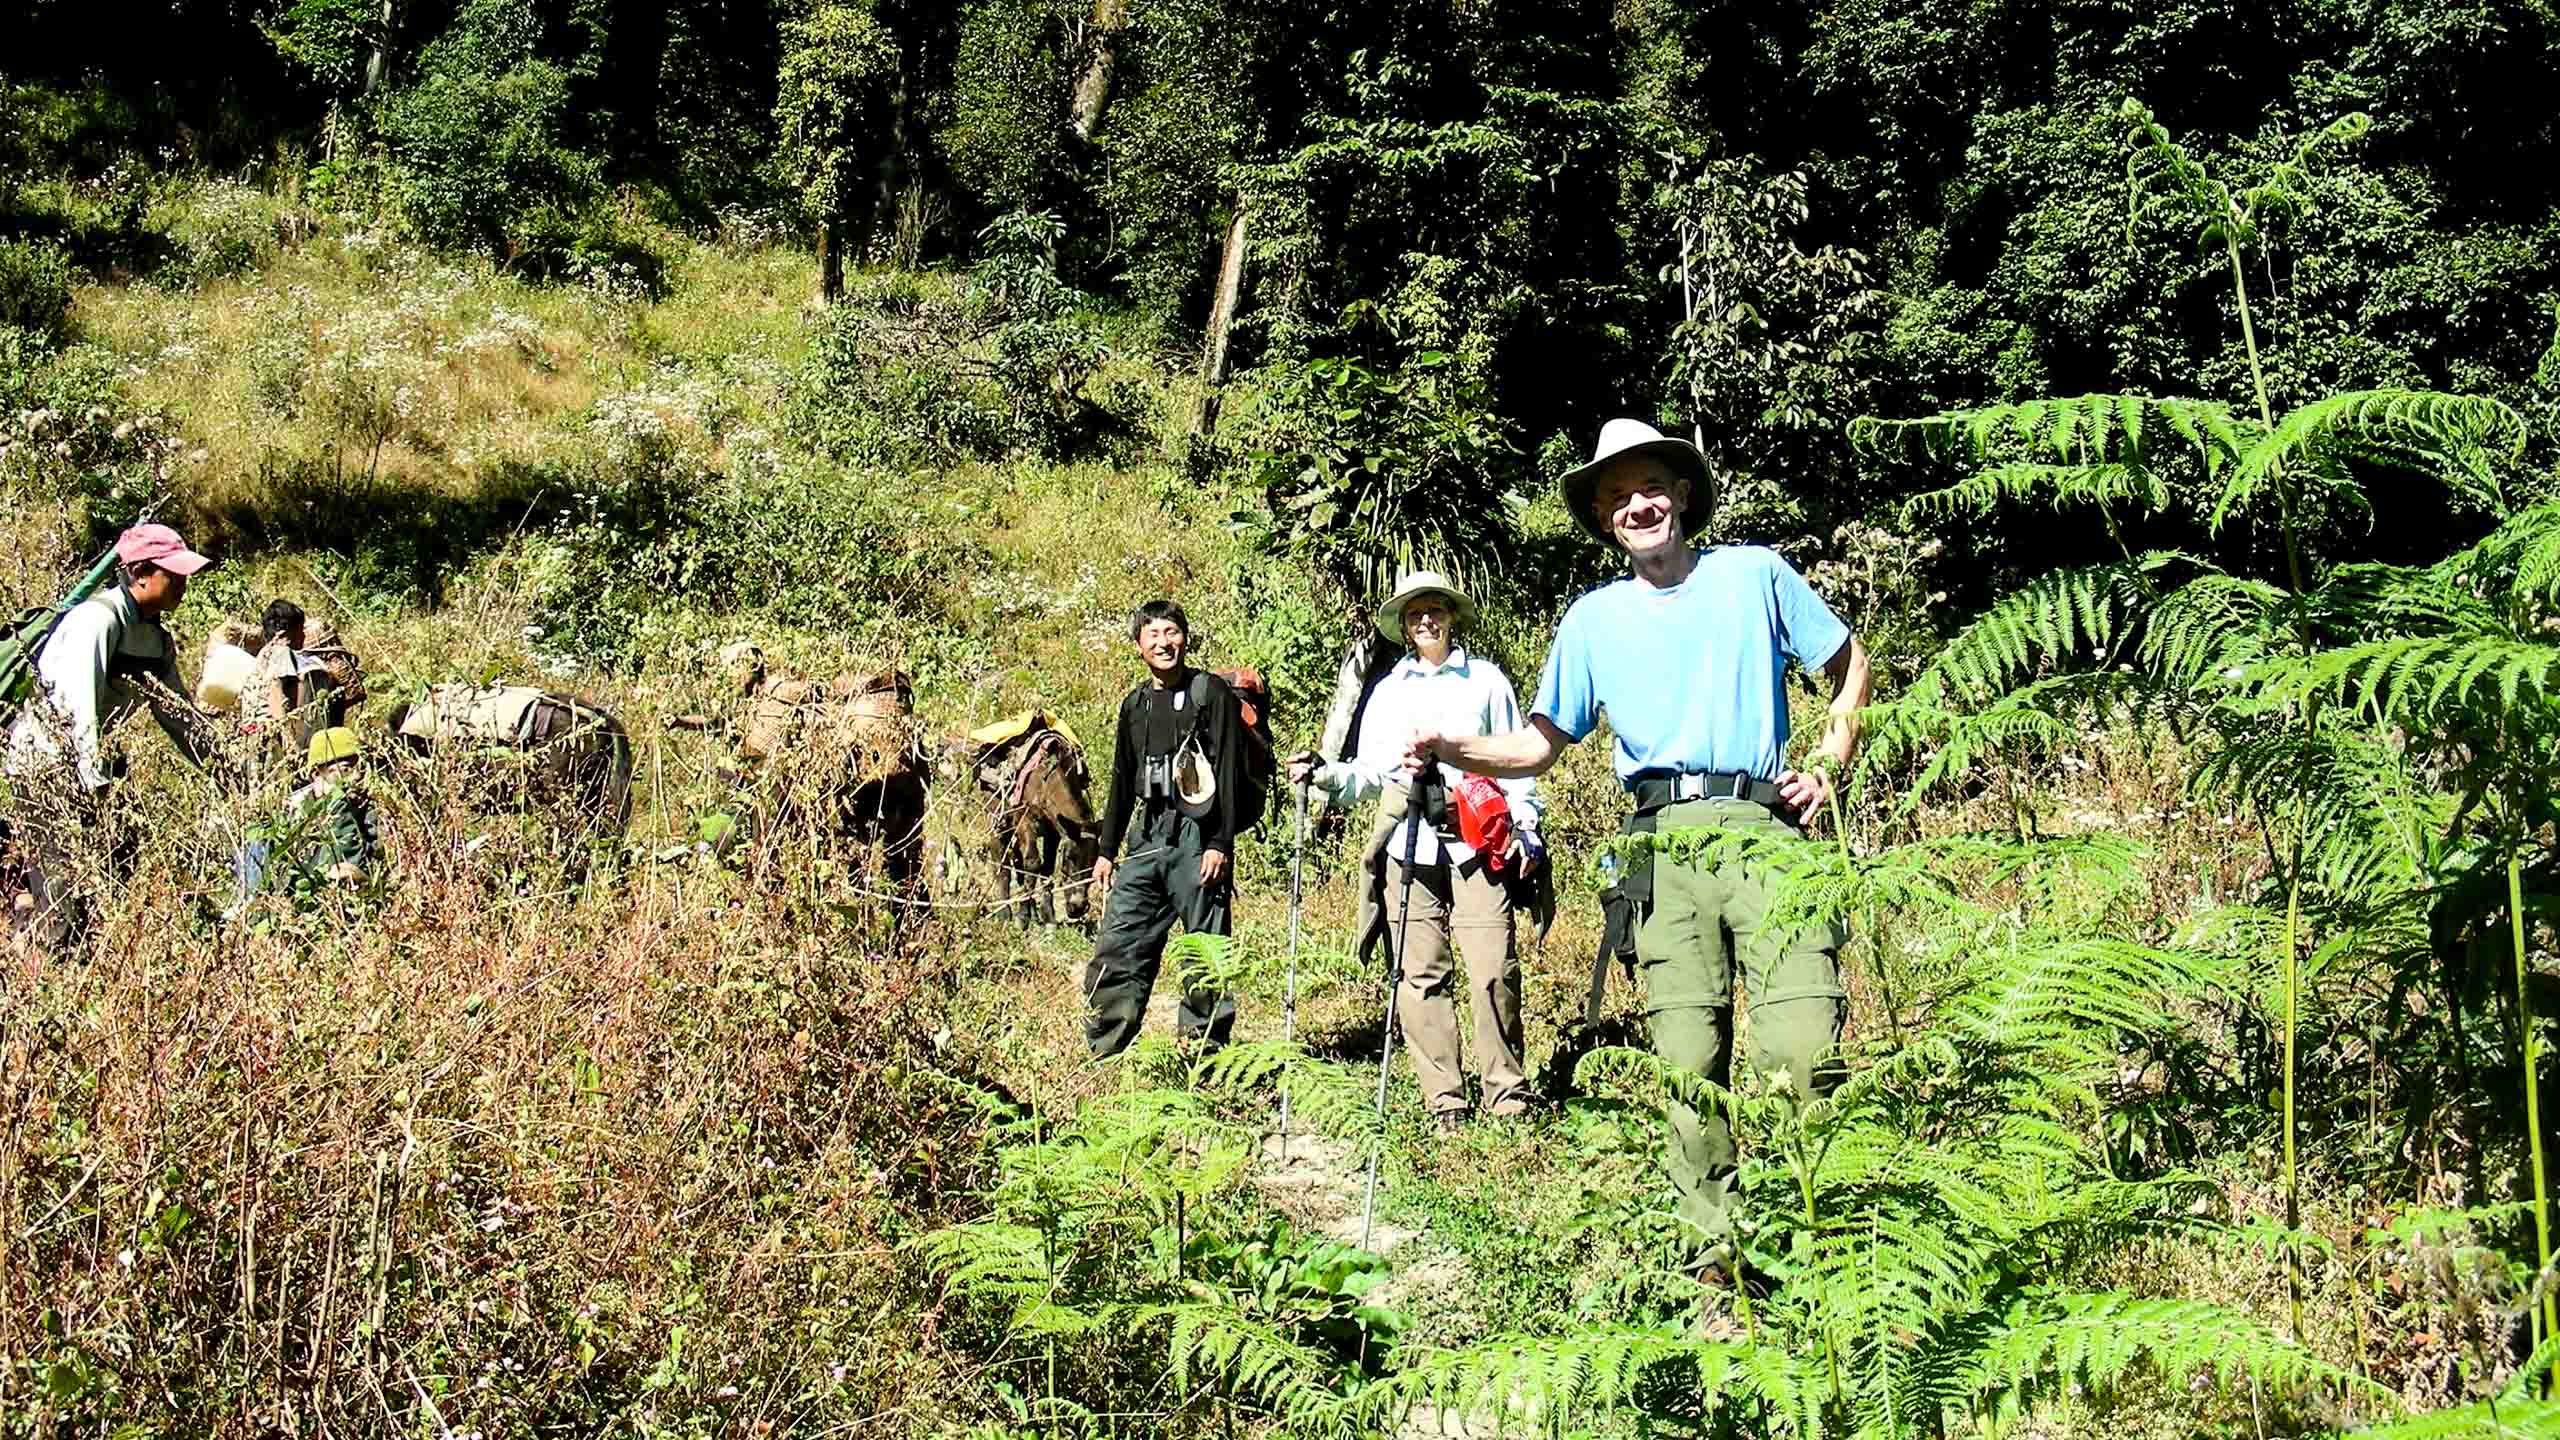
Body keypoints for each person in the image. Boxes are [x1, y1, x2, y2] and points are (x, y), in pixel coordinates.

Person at [1403, 418, 1873, 1267]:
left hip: (1770, 830)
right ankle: (1719, 1273)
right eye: (1618, 498)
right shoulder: (1592, 621)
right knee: (1691, 1070)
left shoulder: (1756, 575)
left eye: (1651, 488)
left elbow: (1850, 665)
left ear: (1684, 496)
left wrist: (1829, 759)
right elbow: (1541, 744)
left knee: (1805, 1048)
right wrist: (1451, 747)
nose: (1638, 506)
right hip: (1661, 849)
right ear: (1604, 520)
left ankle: (1825, 1257)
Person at [1289, 570, 1542, 1131]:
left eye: (1435, 610)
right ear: (1404, 627)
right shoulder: (1390, 690)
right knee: (1418, 974)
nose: (1426, 620)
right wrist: (1325, 774)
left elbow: (1517, 757)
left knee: (1492, 970)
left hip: (1478, 840)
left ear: (1452, 616)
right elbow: (1371, 774)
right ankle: (1444, 1100)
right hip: (1409, 842)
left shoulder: (1486, 681)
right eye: (1414, 614)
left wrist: (1527, 826)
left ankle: (1507, 1094)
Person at [4, 523, 223, 948]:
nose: (182, 583)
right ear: (140, 572)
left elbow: (177, 713)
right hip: (47, 768)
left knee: (113, 879)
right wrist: (93, 780)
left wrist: (223, 764)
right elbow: (74, 706)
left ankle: (60, 957)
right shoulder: (95, 621)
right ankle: (43, 980)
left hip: (95, 771)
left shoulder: (156, 639)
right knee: (61, 893)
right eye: (172, 573)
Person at [1084, 600, 1245, 1056]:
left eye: (1171, 632)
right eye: (1152, 634)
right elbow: (1121, 777)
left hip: (1199, 835)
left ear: (1185, 638)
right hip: (1147, 833)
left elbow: (1229, 770)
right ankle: (1106, 1049)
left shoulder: (1210, 693)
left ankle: (1203, 1055)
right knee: (1121, 940)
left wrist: (1219, 842)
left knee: (1205, 951)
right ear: (1139, 646)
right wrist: (1106, 848)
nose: (1163, 642)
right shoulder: (1134, 705)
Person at [234, 725, 382, 906]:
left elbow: (350, 870)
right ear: (317, 775)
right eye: (345, 769)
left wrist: (338, 807)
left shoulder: (371, 809)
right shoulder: (292, 816)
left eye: (360, 768)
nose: (356, 776)